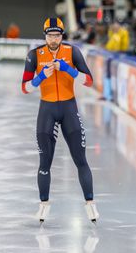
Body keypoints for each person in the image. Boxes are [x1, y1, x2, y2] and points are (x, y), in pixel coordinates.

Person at [21, 17, 99, 224]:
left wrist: (69, 70)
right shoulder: (34, 55)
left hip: (68, 108)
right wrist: (40, 78)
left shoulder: (72, 52)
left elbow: (89, 81)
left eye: (57, 35)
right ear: (44, 35)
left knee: (80, 160)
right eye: (49, 35)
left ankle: (90, 204)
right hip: (47, 109)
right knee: (44, 162)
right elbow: (25, 87)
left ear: (62, 35)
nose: (53, 39)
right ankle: (43, 206)